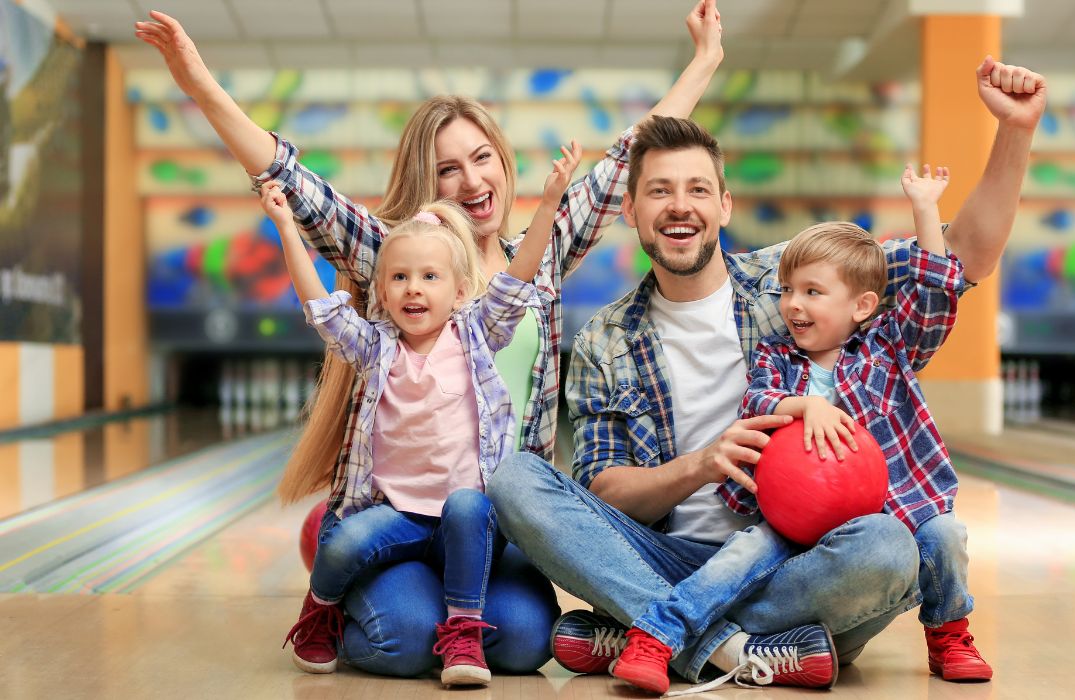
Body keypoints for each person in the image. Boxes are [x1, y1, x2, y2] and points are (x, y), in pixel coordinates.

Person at [134, 0, 724, 676]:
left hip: (493, 524)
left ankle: (384, 578)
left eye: (482, 158)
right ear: (429, 182)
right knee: (404, 641)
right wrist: (197, 81)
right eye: (449, 169)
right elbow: (292, 183)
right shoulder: (396, 258)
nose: (473, 181)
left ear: (503, 162)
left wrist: (703, 62)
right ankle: (357, 567)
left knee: (529, 642)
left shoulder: (544, 250)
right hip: (403, 514)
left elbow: (628, 158)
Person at [490, 56, 1045, 691]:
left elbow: (957, 259)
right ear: (632, 212)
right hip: (667, 558)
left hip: (801, 561)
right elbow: (606, 494)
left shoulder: (796, 284)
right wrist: (701, 463)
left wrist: (1016, 132)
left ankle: (654, 631)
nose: (680, 207)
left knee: (891, 545)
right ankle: (743, 649)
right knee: (514, 480)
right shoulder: (605, 340)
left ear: (724, 205)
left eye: (698, 189)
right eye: (659, 191)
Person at [607, 162, 992, 695]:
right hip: (790, 518)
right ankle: (659, 635)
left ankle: (950, 632)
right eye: (788, 289)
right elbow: (757, 399)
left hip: (886, 516)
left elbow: (933, 297)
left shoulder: (888, 348)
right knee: (740, 553)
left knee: (945, 533)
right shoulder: (777, 357)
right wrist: (803, 406)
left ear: (861, 306)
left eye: (812, 292)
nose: (792, 303)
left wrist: (925, 209)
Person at [263, 140, 583, 681]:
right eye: (400, 278)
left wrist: (551, 199)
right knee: (340, 542)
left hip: (468, 522)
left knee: (468, 506)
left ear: (460, 291)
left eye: (430, 277)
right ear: (381, 294)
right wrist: (287, 228)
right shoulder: (374, 349)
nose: (414, 289)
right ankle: (320, 612)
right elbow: (318, 305)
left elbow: (520, 274)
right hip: (399, 513)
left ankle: (462, 635)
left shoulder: (478, 334)